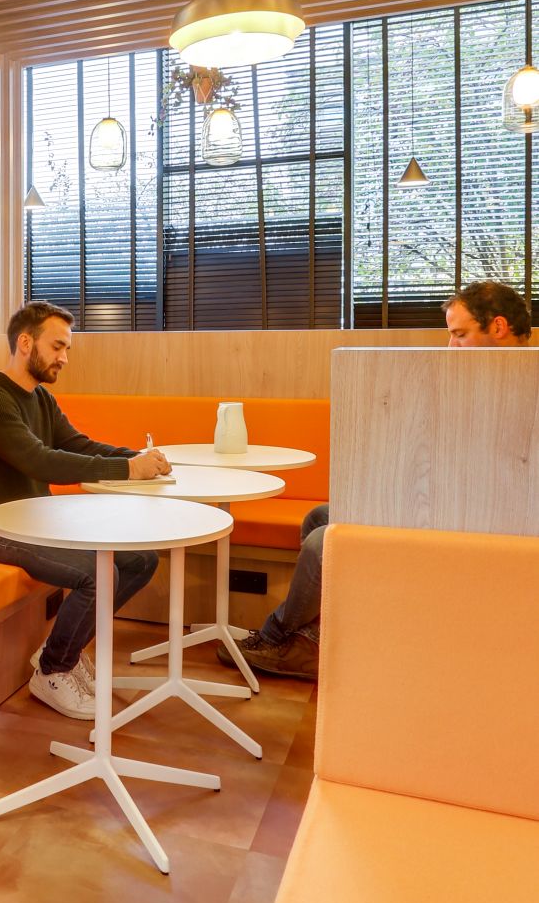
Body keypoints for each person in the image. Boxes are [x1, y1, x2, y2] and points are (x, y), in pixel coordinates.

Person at [225, 279, 532, 681]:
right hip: (439, 503)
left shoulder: (522, 383)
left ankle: (278, 637)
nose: (451, 347)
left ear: (498, 327)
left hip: (475, 522)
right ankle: (313, 639)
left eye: (460, 335)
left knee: (323, 542)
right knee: (319, 517)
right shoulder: (481, 379)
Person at [0, 300, 171, 720]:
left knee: (141, 559)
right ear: (25, 343)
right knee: (97, 573)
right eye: (57, 347)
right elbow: (41, 462)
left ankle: (61, 653)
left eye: (66, 349)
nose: (64, 358)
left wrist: (138, 458)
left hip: (36, 525)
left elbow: (78, 445)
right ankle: (53, 670)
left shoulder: (40, 399)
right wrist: (129, 470)